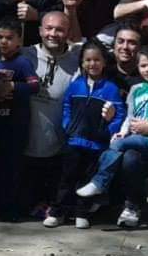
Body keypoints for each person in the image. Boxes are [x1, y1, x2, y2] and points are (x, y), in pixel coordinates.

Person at [77, 34, 148, 228]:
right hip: (132, 138)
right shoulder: (136, 89)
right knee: (114, 147)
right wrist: (123, 132)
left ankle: (100, 183)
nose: (147, 69)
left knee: (117, 146)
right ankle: (106, 190)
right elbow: (129, 116)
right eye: (143, 65)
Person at [45, 40, 125, 229]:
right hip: (74, 141)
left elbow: (119, 114)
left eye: (97, 60)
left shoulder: (111, 89)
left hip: (97, 144)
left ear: (104, 62)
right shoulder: (76, 85)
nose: (92, 64)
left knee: (87, 179)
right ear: (82, 62)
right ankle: (58, 212)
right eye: (88, 60)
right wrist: (67, 125)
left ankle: (81, 213)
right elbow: (66, 106)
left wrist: (109, 131)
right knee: (66, 178)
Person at [20, 9, 83, 216]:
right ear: (40, 30)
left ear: (68, 33)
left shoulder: (77, 60)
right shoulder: (24, 55)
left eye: (59, 30)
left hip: (57, 148)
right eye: (48, 28)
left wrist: (71, 7)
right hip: (23, 147)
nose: (53, 34)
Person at [0, 17, 40, 221]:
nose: (4, 42)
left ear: (19, 41)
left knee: (13, 168)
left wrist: (12, 86)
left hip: (16, 125)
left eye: (9, 38)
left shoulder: (22, 63)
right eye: (0, 37)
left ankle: (12, 209)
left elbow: (34, 86)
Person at [108, 23, 143, 96]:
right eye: (120, 41)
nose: (125, 47)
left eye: (132, 43)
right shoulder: (103, 75)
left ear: (140, 47)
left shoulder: (147, 77)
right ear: (114, 45)